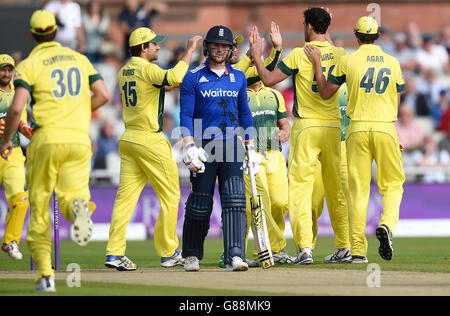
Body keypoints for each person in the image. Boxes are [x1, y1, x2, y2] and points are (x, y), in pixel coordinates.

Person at [0, 10, 110, 292]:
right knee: (73, 194)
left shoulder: (31, 62)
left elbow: (16, 107)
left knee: (38, 209)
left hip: (46, 138)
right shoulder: (79, 58)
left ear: (33, 34)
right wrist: (77, 112)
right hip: (79, 138)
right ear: (56, 32)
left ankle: (46, 277)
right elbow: (104, 95)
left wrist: (7, 140)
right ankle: (78, 208)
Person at [249, 8, 350, 265]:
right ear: (326, 26)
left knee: (300, 191)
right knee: (336, 189)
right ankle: (344, 246)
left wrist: (258, 57)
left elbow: (269, 79)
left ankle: (305, 249)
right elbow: (332, 53)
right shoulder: (340, 54)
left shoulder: (298, 54)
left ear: (307, 26)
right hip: (333, 128)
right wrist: (328, 26)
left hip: (306, 128)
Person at [304, 16, 406, 263]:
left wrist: (318, 63)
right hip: (384, 127)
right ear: (378, 35)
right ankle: (387, 225)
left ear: (356, 34)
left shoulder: (349, 60)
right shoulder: (392, 62)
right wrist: (392, 131)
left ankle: (358, 251)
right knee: (392, 185)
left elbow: (326, 93)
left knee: (357, 192)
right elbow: (397, 97)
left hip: (357, 129)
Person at [105, 27, 202, 271]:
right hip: (150, 139)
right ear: (142, 47)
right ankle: (169, 252)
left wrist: (168, 85)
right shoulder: (148, 68)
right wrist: (189, 51)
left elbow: (157, 87)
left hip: (128, 139)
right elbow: (175, 77)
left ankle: (114, 253)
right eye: (154, 44)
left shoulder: (124, 71)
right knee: (171, 195)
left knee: (124, 200)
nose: (158, 47)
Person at [179, 25, 256, 272]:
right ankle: (190, 254)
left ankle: (235, 255)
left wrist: (251, 147)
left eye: (225, 46)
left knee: (234, 200)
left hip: (232, 145)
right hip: (204, 145)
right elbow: (186, 114)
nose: (220, 50)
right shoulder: (193, 76)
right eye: (216, 45)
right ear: (207, 48)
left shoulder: (239, 77)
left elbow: (245, 114)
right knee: (200, 202)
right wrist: (189, 145)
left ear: (231, 49)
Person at [243, 78, 294, 264]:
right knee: (261, 203)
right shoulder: (240, 93)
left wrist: (285, 132)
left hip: (274, 153)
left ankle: (270, 248)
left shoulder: (274, 94)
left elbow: (284, 123)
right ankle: (269, 249)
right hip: (252, 154)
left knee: (280, 203)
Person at [311, 84, 351, 263]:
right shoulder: (319, 82)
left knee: (340, 200)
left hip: (344, 146)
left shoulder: (352, 84)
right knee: (312, 202)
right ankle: (306, 248)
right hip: (317, 145)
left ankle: (345, 248)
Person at [0, 54, 33, 261]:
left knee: (20, 200)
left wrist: (32, 133)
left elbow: (20, 122)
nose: (6, 73)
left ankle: (10, 241)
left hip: (12, 154)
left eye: (9, 70)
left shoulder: (19, 94)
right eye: (2, 69)